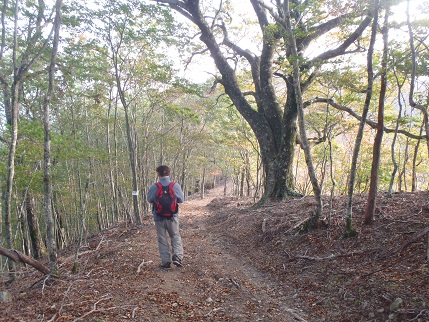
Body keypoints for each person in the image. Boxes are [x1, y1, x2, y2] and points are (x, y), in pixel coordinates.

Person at [147, 165, 184, 270]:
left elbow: (150, 199)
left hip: (158, 217)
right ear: (169, 173)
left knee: (162, 239)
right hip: (172, 217)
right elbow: (181, 200)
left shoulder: (154, 187)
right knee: (175, 236)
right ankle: (177, 257)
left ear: (158, 174)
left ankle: (166, 262)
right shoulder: (175, 186)